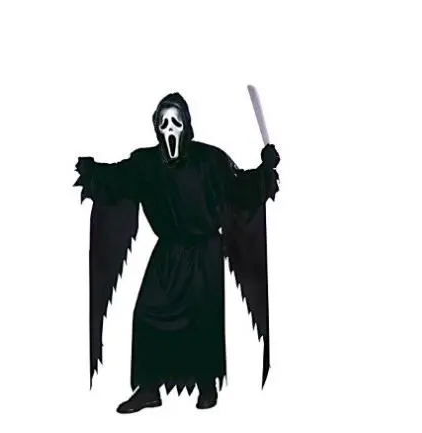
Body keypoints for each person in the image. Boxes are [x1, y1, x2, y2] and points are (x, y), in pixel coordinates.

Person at [74, 92, 280, 413]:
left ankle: (207, 385)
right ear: (156, 127)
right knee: (147, 313)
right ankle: (149, 389)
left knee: (203, 318)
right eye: (164, 123)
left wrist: (264, 170)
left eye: (176, 122)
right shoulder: (146, 164)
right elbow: (117, 178)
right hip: (168, 251)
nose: (170, 129)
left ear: (187, 124)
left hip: (204, 251)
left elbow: (239, 188)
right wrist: (91, 170)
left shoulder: (210, 159)